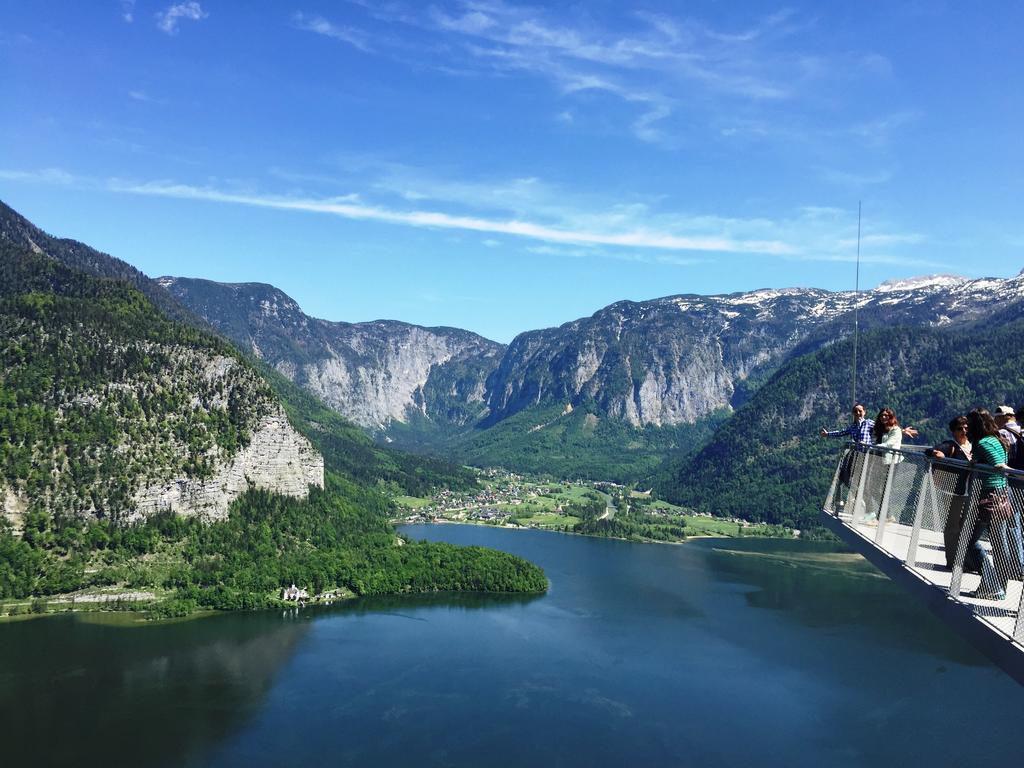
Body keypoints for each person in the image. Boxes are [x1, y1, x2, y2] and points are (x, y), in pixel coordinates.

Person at [964, 409, 1015, 600]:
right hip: (1002, 494)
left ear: (977, 425)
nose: (966, 428)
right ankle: (998, 588)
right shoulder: (997, 439)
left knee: (970, 541)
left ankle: (992, 584)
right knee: (999, 544)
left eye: (969, 424)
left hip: (988, 495)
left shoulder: (984, 443)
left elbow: (998, 466)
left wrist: (976, 463)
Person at [926, 416, 975, 570]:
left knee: (964, 527)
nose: (964, 431)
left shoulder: (973, 445)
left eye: (966, 428)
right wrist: (937, 454)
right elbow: (929, 451)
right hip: (952, 491)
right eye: (960, 428)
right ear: (953, 431)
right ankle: (953, 561)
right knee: (952, 527)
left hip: (970, 491)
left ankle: (964, 560)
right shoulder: (950, 445)